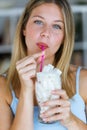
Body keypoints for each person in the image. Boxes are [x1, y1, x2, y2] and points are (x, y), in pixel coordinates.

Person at [0, 0, 87, 130]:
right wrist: (26, 90)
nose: (46, 33)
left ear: (64, 38)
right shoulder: (3, 86)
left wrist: (71, 121)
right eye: (38, 22)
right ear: (24, 28)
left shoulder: (83, 81)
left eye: (57, 26)